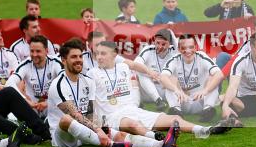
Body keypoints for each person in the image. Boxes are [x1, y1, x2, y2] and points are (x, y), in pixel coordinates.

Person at [48, 39, 178, 147]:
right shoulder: (58, 85)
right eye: (73, 57)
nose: (78, 60)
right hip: (65, 136)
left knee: (120, 134)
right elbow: (74, 114)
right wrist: (98, 130)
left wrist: (102, 127)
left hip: (86, 128)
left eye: (80, 56)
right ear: (63, 60)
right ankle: (111, 145)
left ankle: (161, 144)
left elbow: (90, 113)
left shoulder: (87, 81)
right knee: (66, 119)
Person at [91, 40, 230, 140]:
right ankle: (156, 139)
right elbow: (89, 103)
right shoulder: (92, 74)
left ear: (115, 54)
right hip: (111, 117)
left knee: (174, 119)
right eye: (97, 54)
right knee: (134, 124)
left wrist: (151, 72)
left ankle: (205, 130)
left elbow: (134, 65)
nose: (99, 57)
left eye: (103, 54)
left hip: (132, 110)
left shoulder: (123, 66)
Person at [159, 34, 225, 120]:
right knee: (169, 80)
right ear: (179, 49)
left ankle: (208, 109)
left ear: (196, 47)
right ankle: (176, 110)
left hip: (200, 100)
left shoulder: (202, 56)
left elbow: (219, 74)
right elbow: (163, 77)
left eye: (191, 47)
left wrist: (205, 90)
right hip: (182, 100)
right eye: (183, 48)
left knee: (212, 77)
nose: (188, 51)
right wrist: (176, 90)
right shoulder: (174, 59)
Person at [8, 35, 64, 119]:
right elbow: (10, 83)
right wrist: (25, 100)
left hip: (52, 105)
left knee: (65, 105)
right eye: (32, 51)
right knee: (11, 116)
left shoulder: (55, 63)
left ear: (46, 51)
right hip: (32, 107)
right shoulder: (26, 64)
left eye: (38, 51)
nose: (34, 54)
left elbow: (65, 82)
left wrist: (49, 102)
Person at [134, 29, 176, 110]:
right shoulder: (149, 49)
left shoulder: (174, 50)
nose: (160, 46)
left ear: (170, 43)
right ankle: (158, 101)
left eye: (164, 44)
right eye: (157, 43)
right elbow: (136, 63)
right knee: (140, 72)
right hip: (149, 90)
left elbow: (179, 45)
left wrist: (171, 32)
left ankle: (174, 106)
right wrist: (149, 72)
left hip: (167, 90)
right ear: (154, 42)